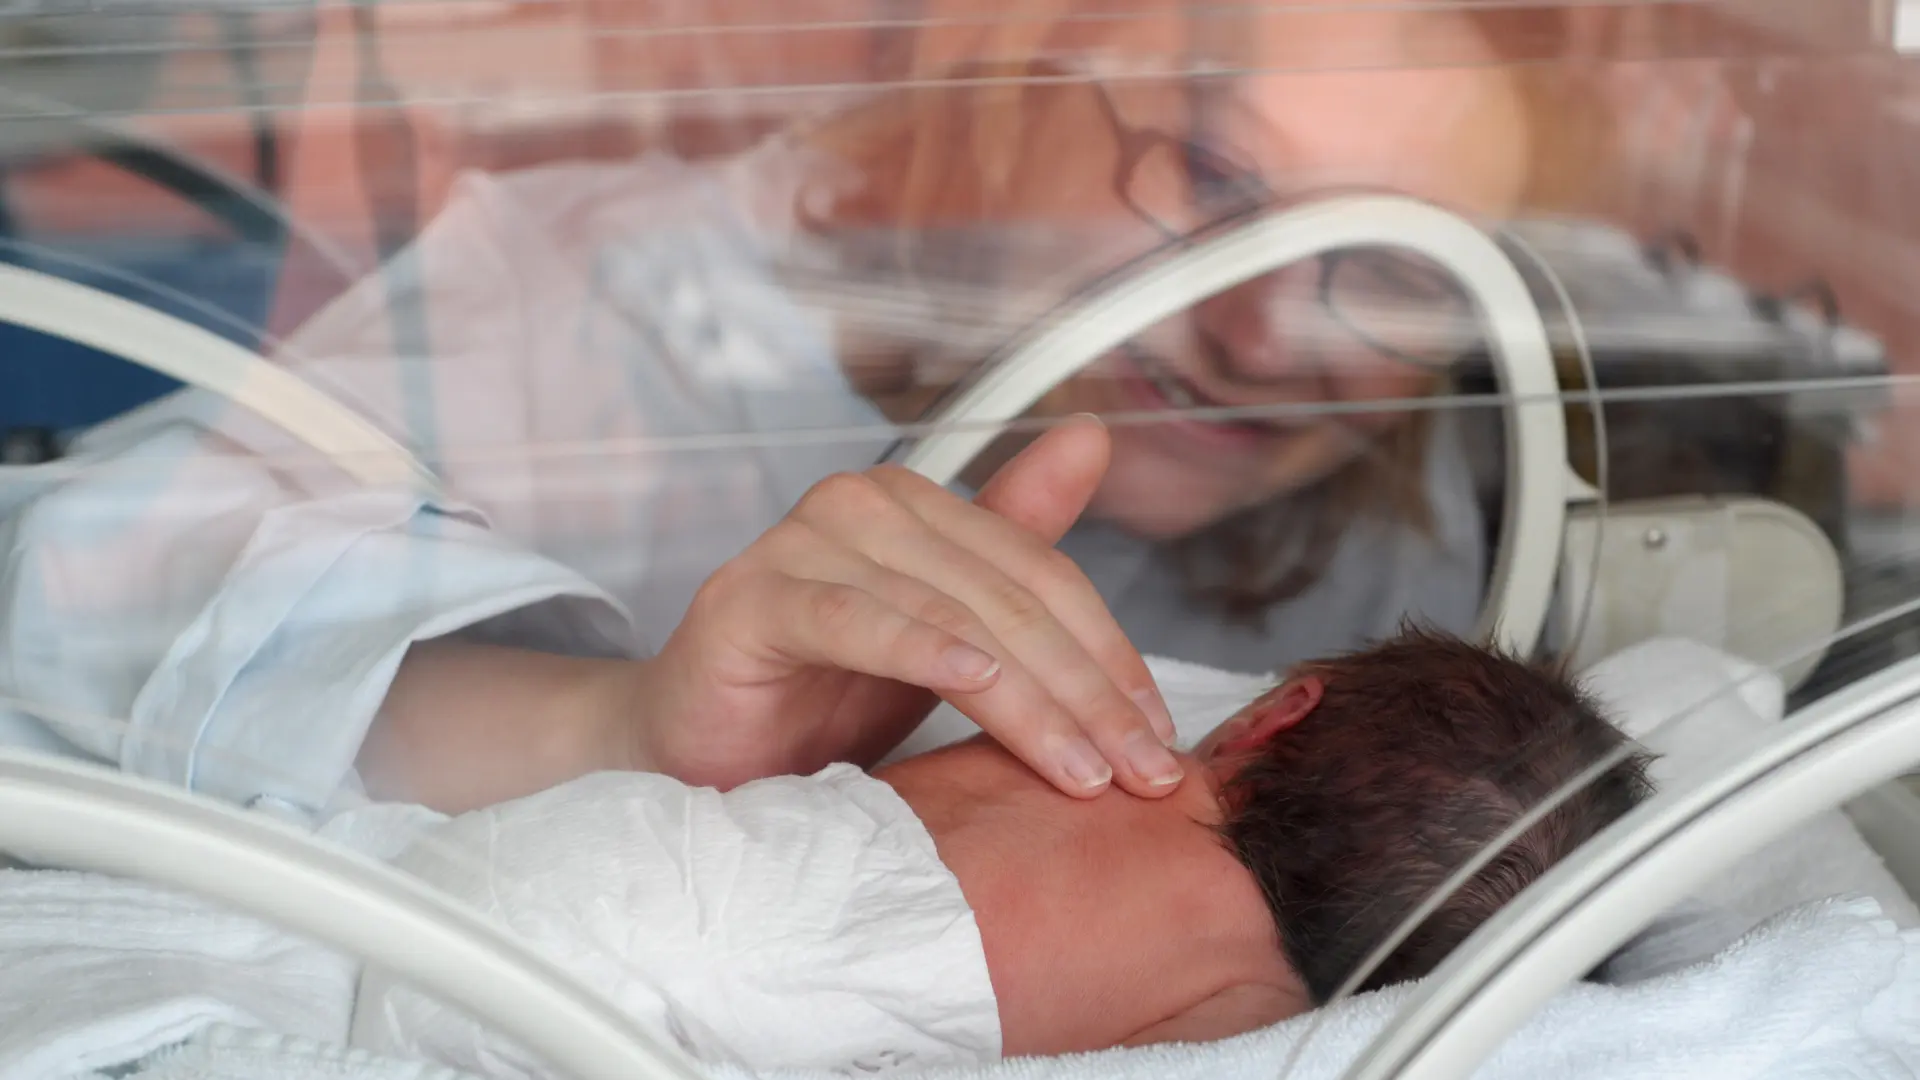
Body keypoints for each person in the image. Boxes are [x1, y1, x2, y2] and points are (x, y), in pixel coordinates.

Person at [0, 1, 1614, 820]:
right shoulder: (609, 301)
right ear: (1018, 74)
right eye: (1210, 175)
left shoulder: (1397, 493)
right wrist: (625, 735)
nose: (1266, 333)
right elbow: (99, 626)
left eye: (1391, 268)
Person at [352, 626, 1654, 1076]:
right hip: (631, 1028)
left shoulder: (1098, 752)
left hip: (531, 874)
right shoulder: (1242, 1012)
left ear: (1278, 714)